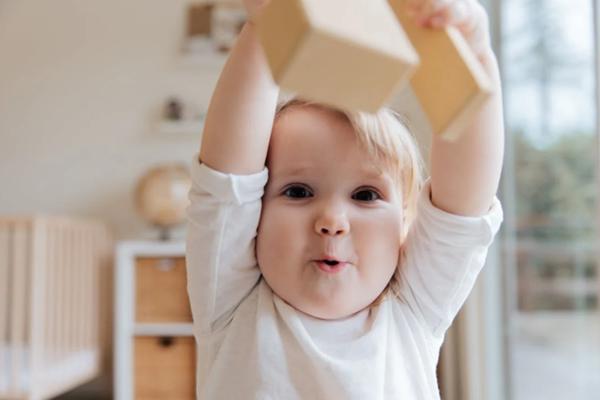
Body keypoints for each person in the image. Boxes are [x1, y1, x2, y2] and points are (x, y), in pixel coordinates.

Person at [185, 0, 504, 398]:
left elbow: (464, 207)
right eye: (298, 191)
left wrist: (473, 55)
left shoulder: (412, 308)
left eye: (366, 195)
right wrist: (268, 25)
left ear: (404, 224)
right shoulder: (231, 300)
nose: (332, 219)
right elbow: (226, 181)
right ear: (254, 216)